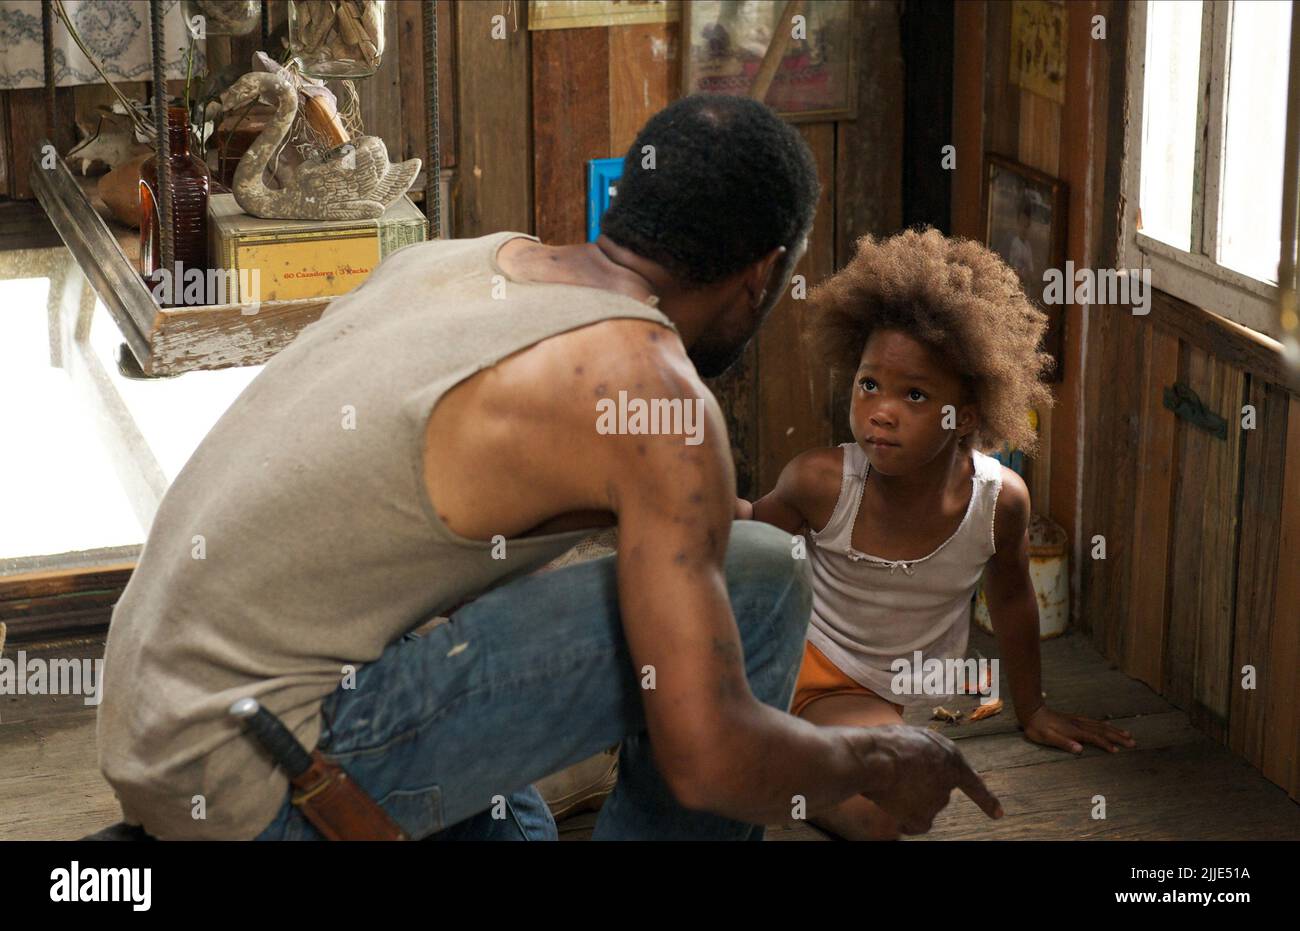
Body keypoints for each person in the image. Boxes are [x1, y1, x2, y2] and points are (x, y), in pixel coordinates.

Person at [97, 96, 1001, 841]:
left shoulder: (448, 264)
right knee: (763, 575)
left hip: (156, 722)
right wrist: (883, 759)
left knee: (522, 824)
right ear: (761, 275)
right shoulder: (657, 397)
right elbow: (711, 757)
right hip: (260, 776)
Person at [746, 229, 1135, 841]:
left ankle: (761, 757)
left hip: (850, 692)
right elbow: (740, 553)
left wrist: (1031, 708)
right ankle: (735, 745)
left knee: (888, 818)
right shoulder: (822, 481)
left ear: (969, 416)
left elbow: (1010, 599)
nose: (881, 409)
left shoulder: (999, 502)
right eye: (869, 383)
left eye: (916, 395)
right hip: (768, 662)